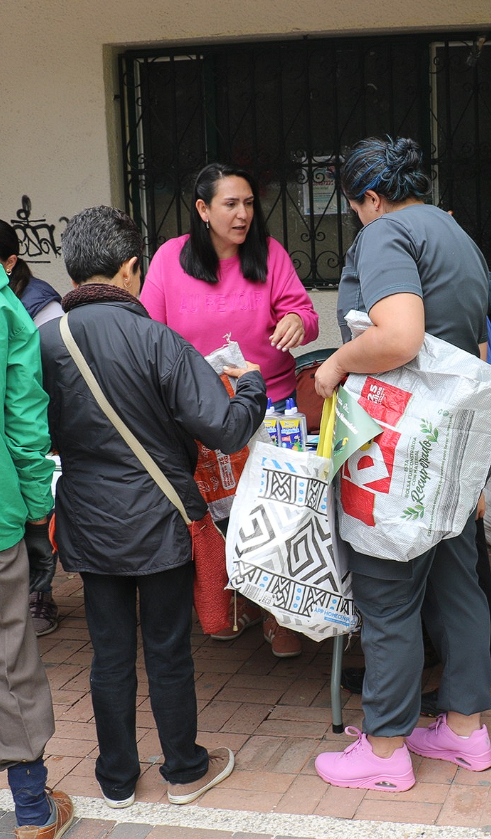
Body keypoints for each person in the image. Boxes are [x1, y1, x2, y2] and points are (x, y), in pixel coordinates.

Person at [38, 206, 267, 809]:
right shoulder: (157, 340)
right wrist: (250, 384)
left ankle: (115, 779)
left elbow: (36, 432)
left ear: (74, 271)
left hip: (88, 522)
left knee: (109, 653)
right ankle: (184, 771)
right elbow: (226, 429)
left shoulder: (43, 343)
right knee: (167, 650)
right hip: (160, 521)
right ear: (131, 269)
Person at [313, 136, 491, 792]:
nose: (357, 219)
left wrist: (335, 363)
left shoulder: (386, 234)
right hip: (450, 442)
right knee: (456, 583)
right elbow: (478, 346)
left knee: (387, 594)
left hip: (398, 446)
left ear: (370, 197)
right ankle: (465, 731)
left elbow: (399, 335)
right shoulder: (456, 236)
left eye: (355, 207)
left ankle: (385, 749)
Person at [141, 161, 320, 658]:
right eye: (230, 204)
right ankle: (230, 604)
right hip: (198, 410)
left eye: (248, 204)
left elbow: (306, 315)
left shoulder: (270, 254)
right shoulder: (170, 259)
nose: (243, 215)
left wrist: (296, 322)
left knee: (275, 511)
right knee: (215, 515)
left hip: (270, 405)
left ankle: (280, 614)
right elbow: (149, 331)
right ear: (202, 209)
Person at [0, 262, 72, 839]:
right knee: (10, 655)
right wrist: (37, 507)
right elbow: (24, 417)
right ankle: (32, 811)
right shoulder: (3, 304)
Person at [0, 220, 64, 637]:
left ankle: (40, 593)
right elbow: (24, 418)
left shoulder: (38, 305)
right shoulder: (10, 309)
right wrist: (39, 517)